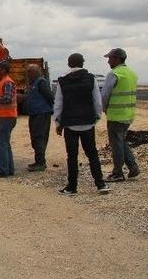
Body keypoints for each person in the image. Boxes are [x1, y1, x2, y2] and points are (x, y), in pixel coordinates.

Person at [54, 53, 110, 195]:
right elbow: (97, 101)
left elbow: (58, 104)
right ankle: (100, 184)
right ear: (83, 63)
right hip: (87, 123)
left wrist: (58, 122)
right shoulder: (91, 79)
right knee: (92, 154)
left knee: (72, 156)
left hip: (70, 125)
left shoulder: (62, 81)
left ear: (69, 64)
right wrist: (96, 117)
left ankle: (72, 187)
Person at [101, 48, 140, 182]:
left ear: (117, 59)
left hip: (116, 115)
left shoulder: (114, 74)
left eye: (110, 58)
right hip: (128, 115)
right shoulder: (132, 74)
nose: (108, 61)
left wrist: (103, 108)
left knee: (116, 143)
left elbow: (105, 95)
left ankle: (117, 173)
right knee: (120, 141)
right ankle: (133, 167)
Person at [22, 64, 54, 171]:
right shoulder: (33, 84)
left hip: (42, 114)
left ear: (35, 72)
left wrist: (49, 109)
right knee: (34, 137)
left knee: (39, 137)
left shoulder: (41, 82)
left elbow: (49, 97)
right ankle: (37, 161)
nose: (28, 75)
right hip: (35, 114)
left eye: (29, 72)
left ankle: (41, 163)